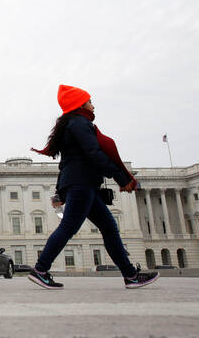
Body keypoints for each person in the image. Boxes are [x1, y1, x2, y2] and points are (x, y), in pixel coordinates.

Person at [28, 84, 159, 290]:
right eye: (89, 101)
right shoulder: (79, 123)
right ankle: (41, 269)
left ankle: (130, 275)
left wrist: (61, 191)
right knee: (69, 227)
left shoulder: (70, 125)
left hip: (81, 184)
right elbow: (94, 153)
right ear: (80, 104)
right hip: (82, 184)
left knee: (108, 227)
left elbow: (66, 164)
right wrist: (120, 177)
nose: (93, 105)